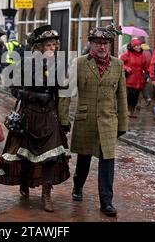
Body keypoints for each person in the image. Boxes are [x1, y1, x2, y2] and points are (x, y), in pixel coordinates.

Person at [0, 25, 71, 213]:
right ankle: (24, 183)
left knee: (51, 156)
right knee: (26, 154)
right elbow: (14, 89)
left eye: (54, 45)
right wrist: (35, 96)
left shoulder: (58, 65)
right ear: (40, 47)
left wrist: (64, 119)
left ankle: (46, 194)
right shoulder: (26, 64)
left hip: (49, 116)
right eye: (48, 45)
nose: (52, 48)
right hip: (30, 114)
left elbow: (63, 94)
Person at [58, 26, 128, 217]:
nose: (102, 47)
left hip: (108, 121)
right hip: (85, 119)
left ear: (110, 45)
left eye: (105, 43)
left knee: (107, 161)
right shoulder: (79, 63)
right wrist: (63, 119)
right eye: (98, 43)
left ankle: (107, 201)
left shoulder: (118, 65)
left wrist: (123, 124)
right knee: (84, 159)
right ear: (91, 44)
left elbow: (122, 97)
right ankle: (78, 186)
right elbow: (66, 92)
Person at [120, 38, 149, 118]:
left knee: (135, 97)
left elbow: (145, 67)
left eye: (139, 45)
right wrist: (126, 68)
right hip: (129, 79)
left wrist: (149, 74)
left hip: (139, 80)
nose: (138, 47)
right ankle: (128, 111)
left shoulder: (142, 56)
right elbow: (120, 64)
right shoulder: (127, 54)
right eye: (136, 46)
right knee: (130, 96)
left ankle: (132, 112)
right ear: (132, 47)